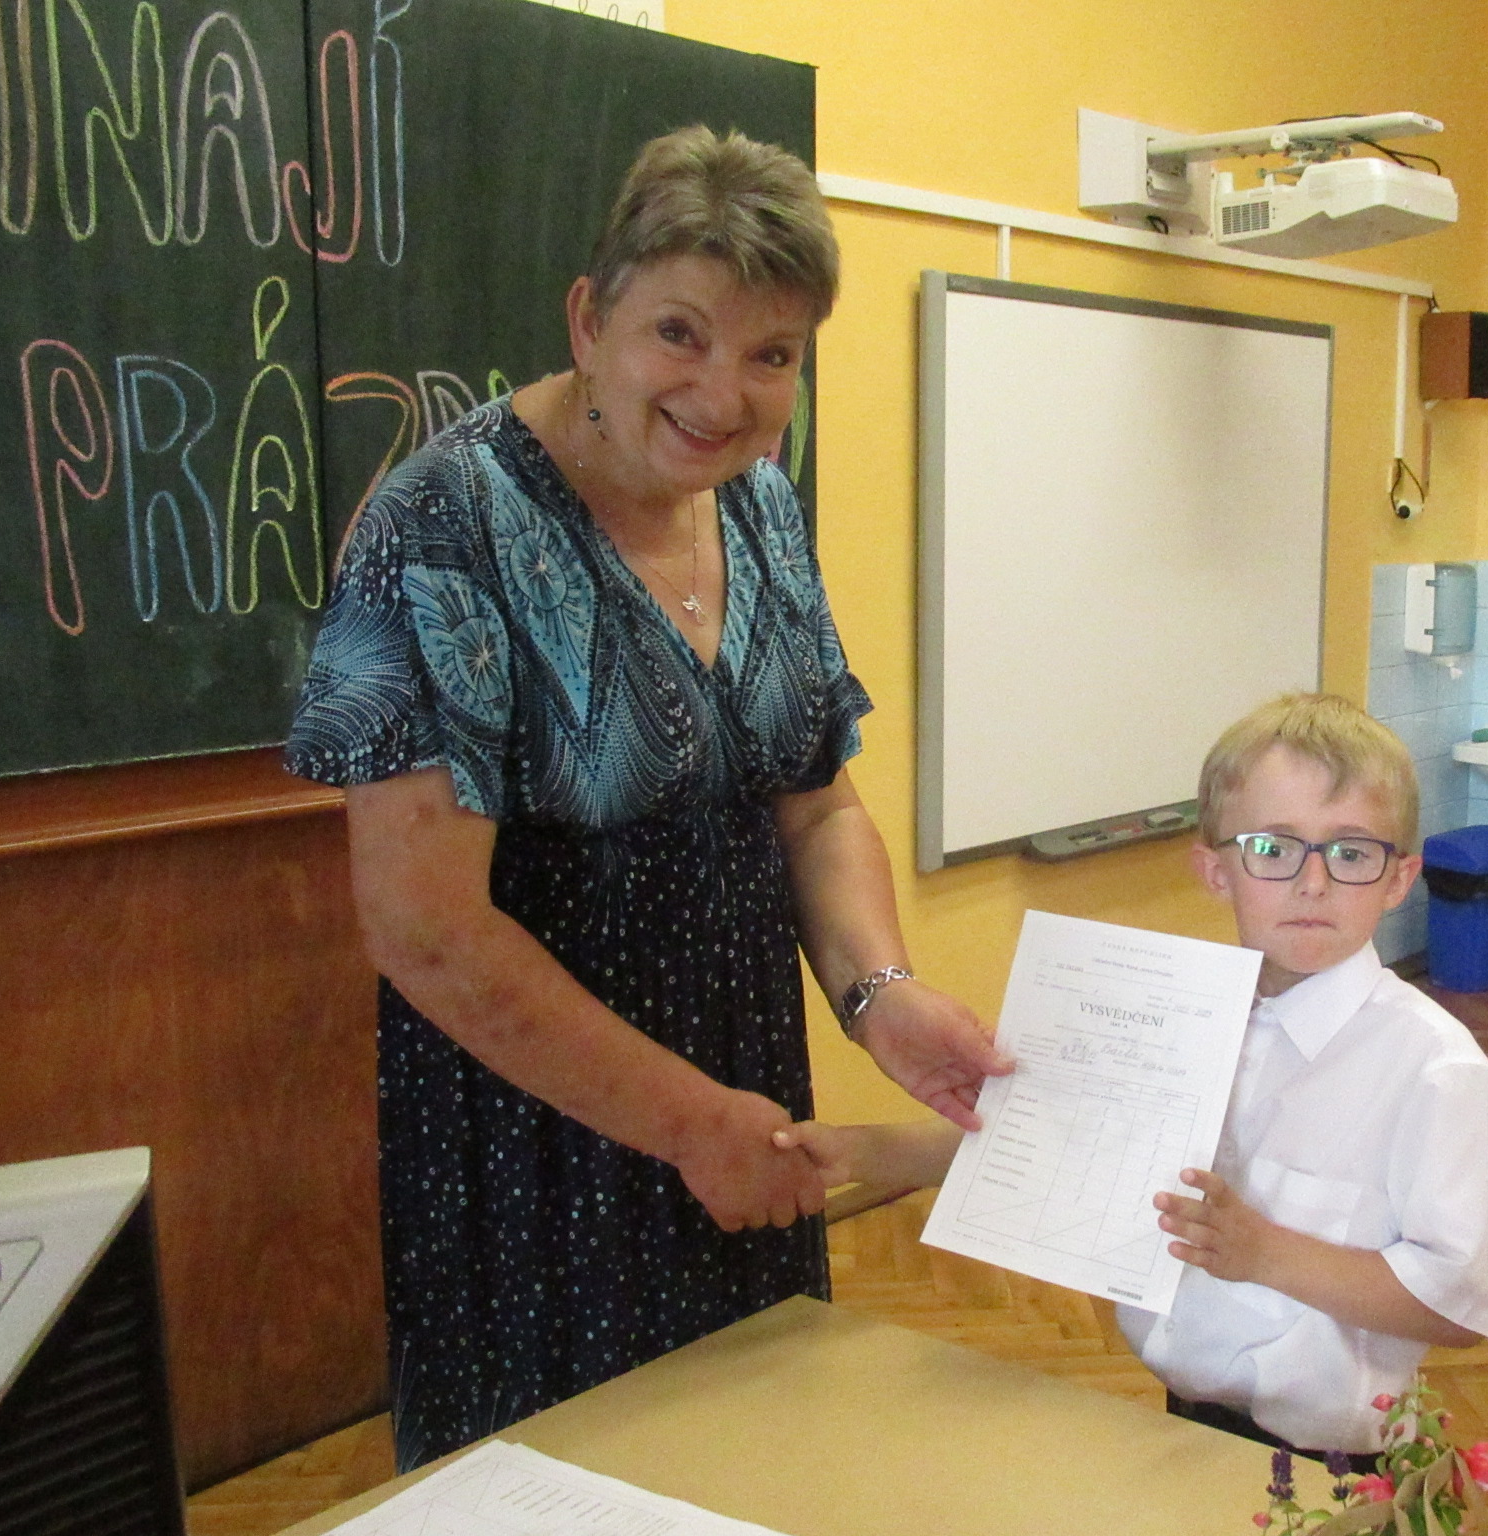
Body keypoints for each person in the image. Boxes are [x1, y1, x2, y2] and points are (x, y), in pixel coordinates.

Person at [285, 126, 1005, 1469]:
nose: (723, 394)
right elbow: (426, 929)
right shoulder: (442, 529)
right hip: (538, 1149)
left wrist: (879, 994)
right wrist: (684, 1125)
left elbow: (814, 803)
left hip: (750, 1119)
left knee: (759, 1460)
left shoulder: (760, 508)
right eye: (680, 333)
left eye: (772, 354)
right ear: (589, 319)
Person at [777, 694, 1488, 1461]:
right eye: (1273, 848)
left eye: (1352, 853)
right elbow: (1060, 1145)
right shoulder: (1178, 1013)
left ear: (1400, 879)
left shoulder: (1435, 1069)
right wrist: (865, 1154)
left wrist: (1265, 1254)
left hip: (1335, 1463)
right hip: (1183, 1419)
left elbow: (1453, 1305)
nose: (1314, 882)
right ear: (1215, 871)